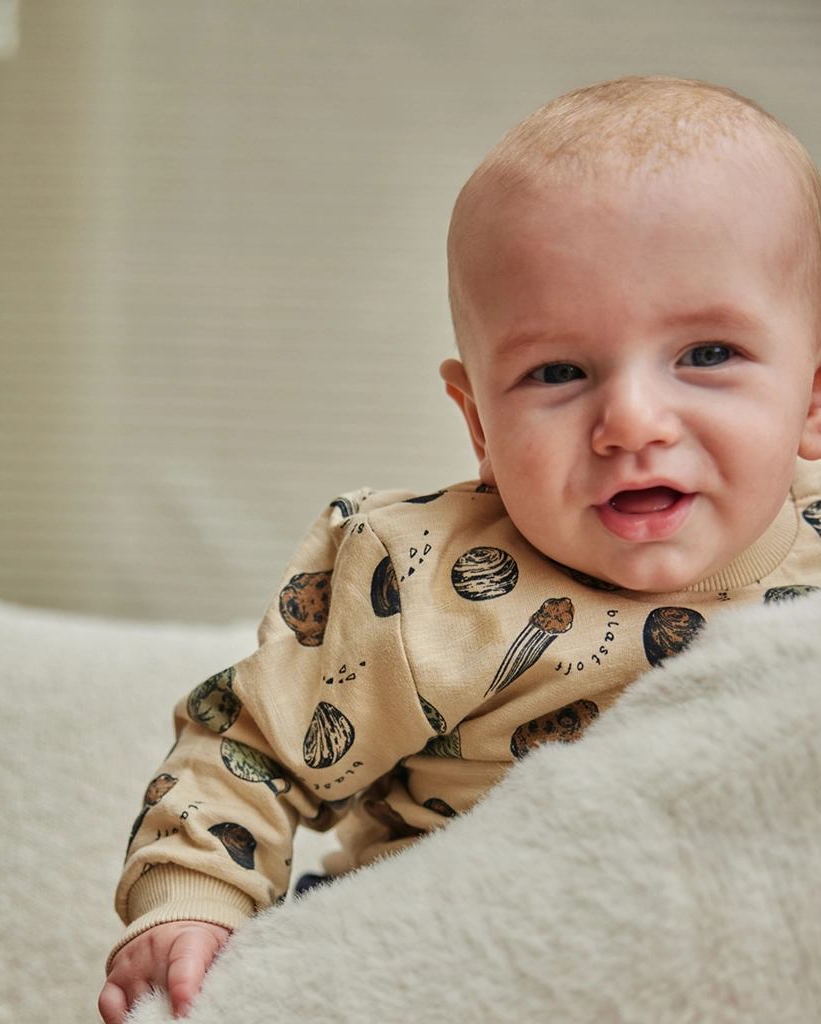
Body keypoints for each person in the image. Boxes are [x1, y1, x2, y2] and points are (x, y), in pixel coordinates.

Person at [98, 75, 821, 1022]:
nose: (633, 421)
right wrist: (193, 898)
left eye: (707, 355)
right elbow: (250, 748)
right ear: (478, 421)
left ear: (812, 398)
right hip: (451, 966)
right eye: (558, 372)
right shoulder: (413, 580)